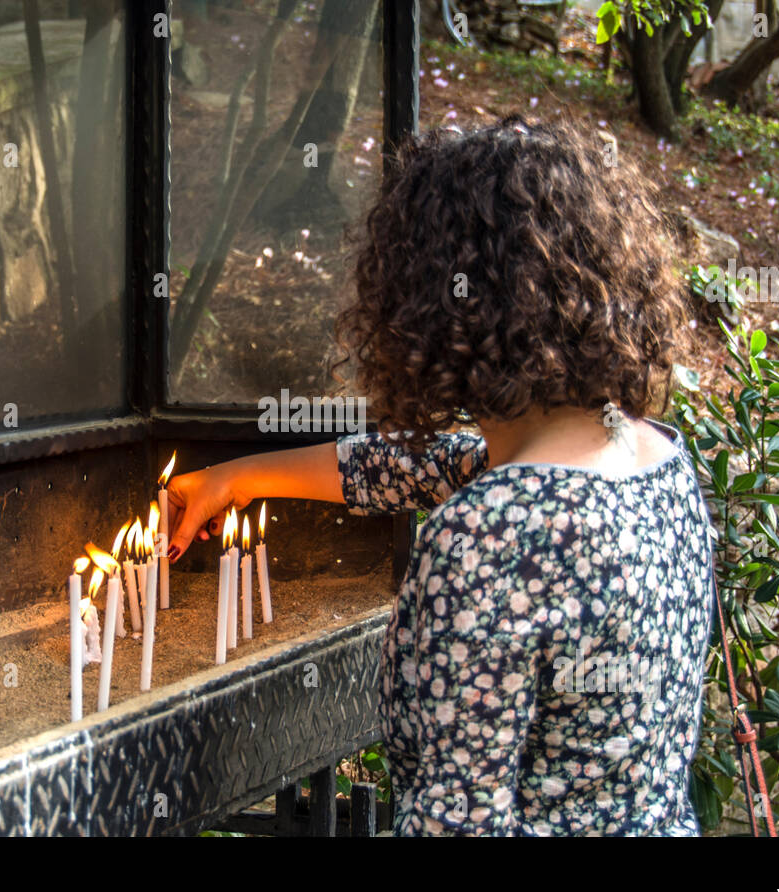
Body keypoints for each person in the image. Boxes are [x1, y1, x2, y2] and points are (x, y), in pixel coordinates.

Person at [164, 116, 715, 836]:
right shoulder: (658, 461)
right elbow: (413, 466)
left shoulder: (493, 531)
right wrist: (237, 478)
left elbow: (457, 823)